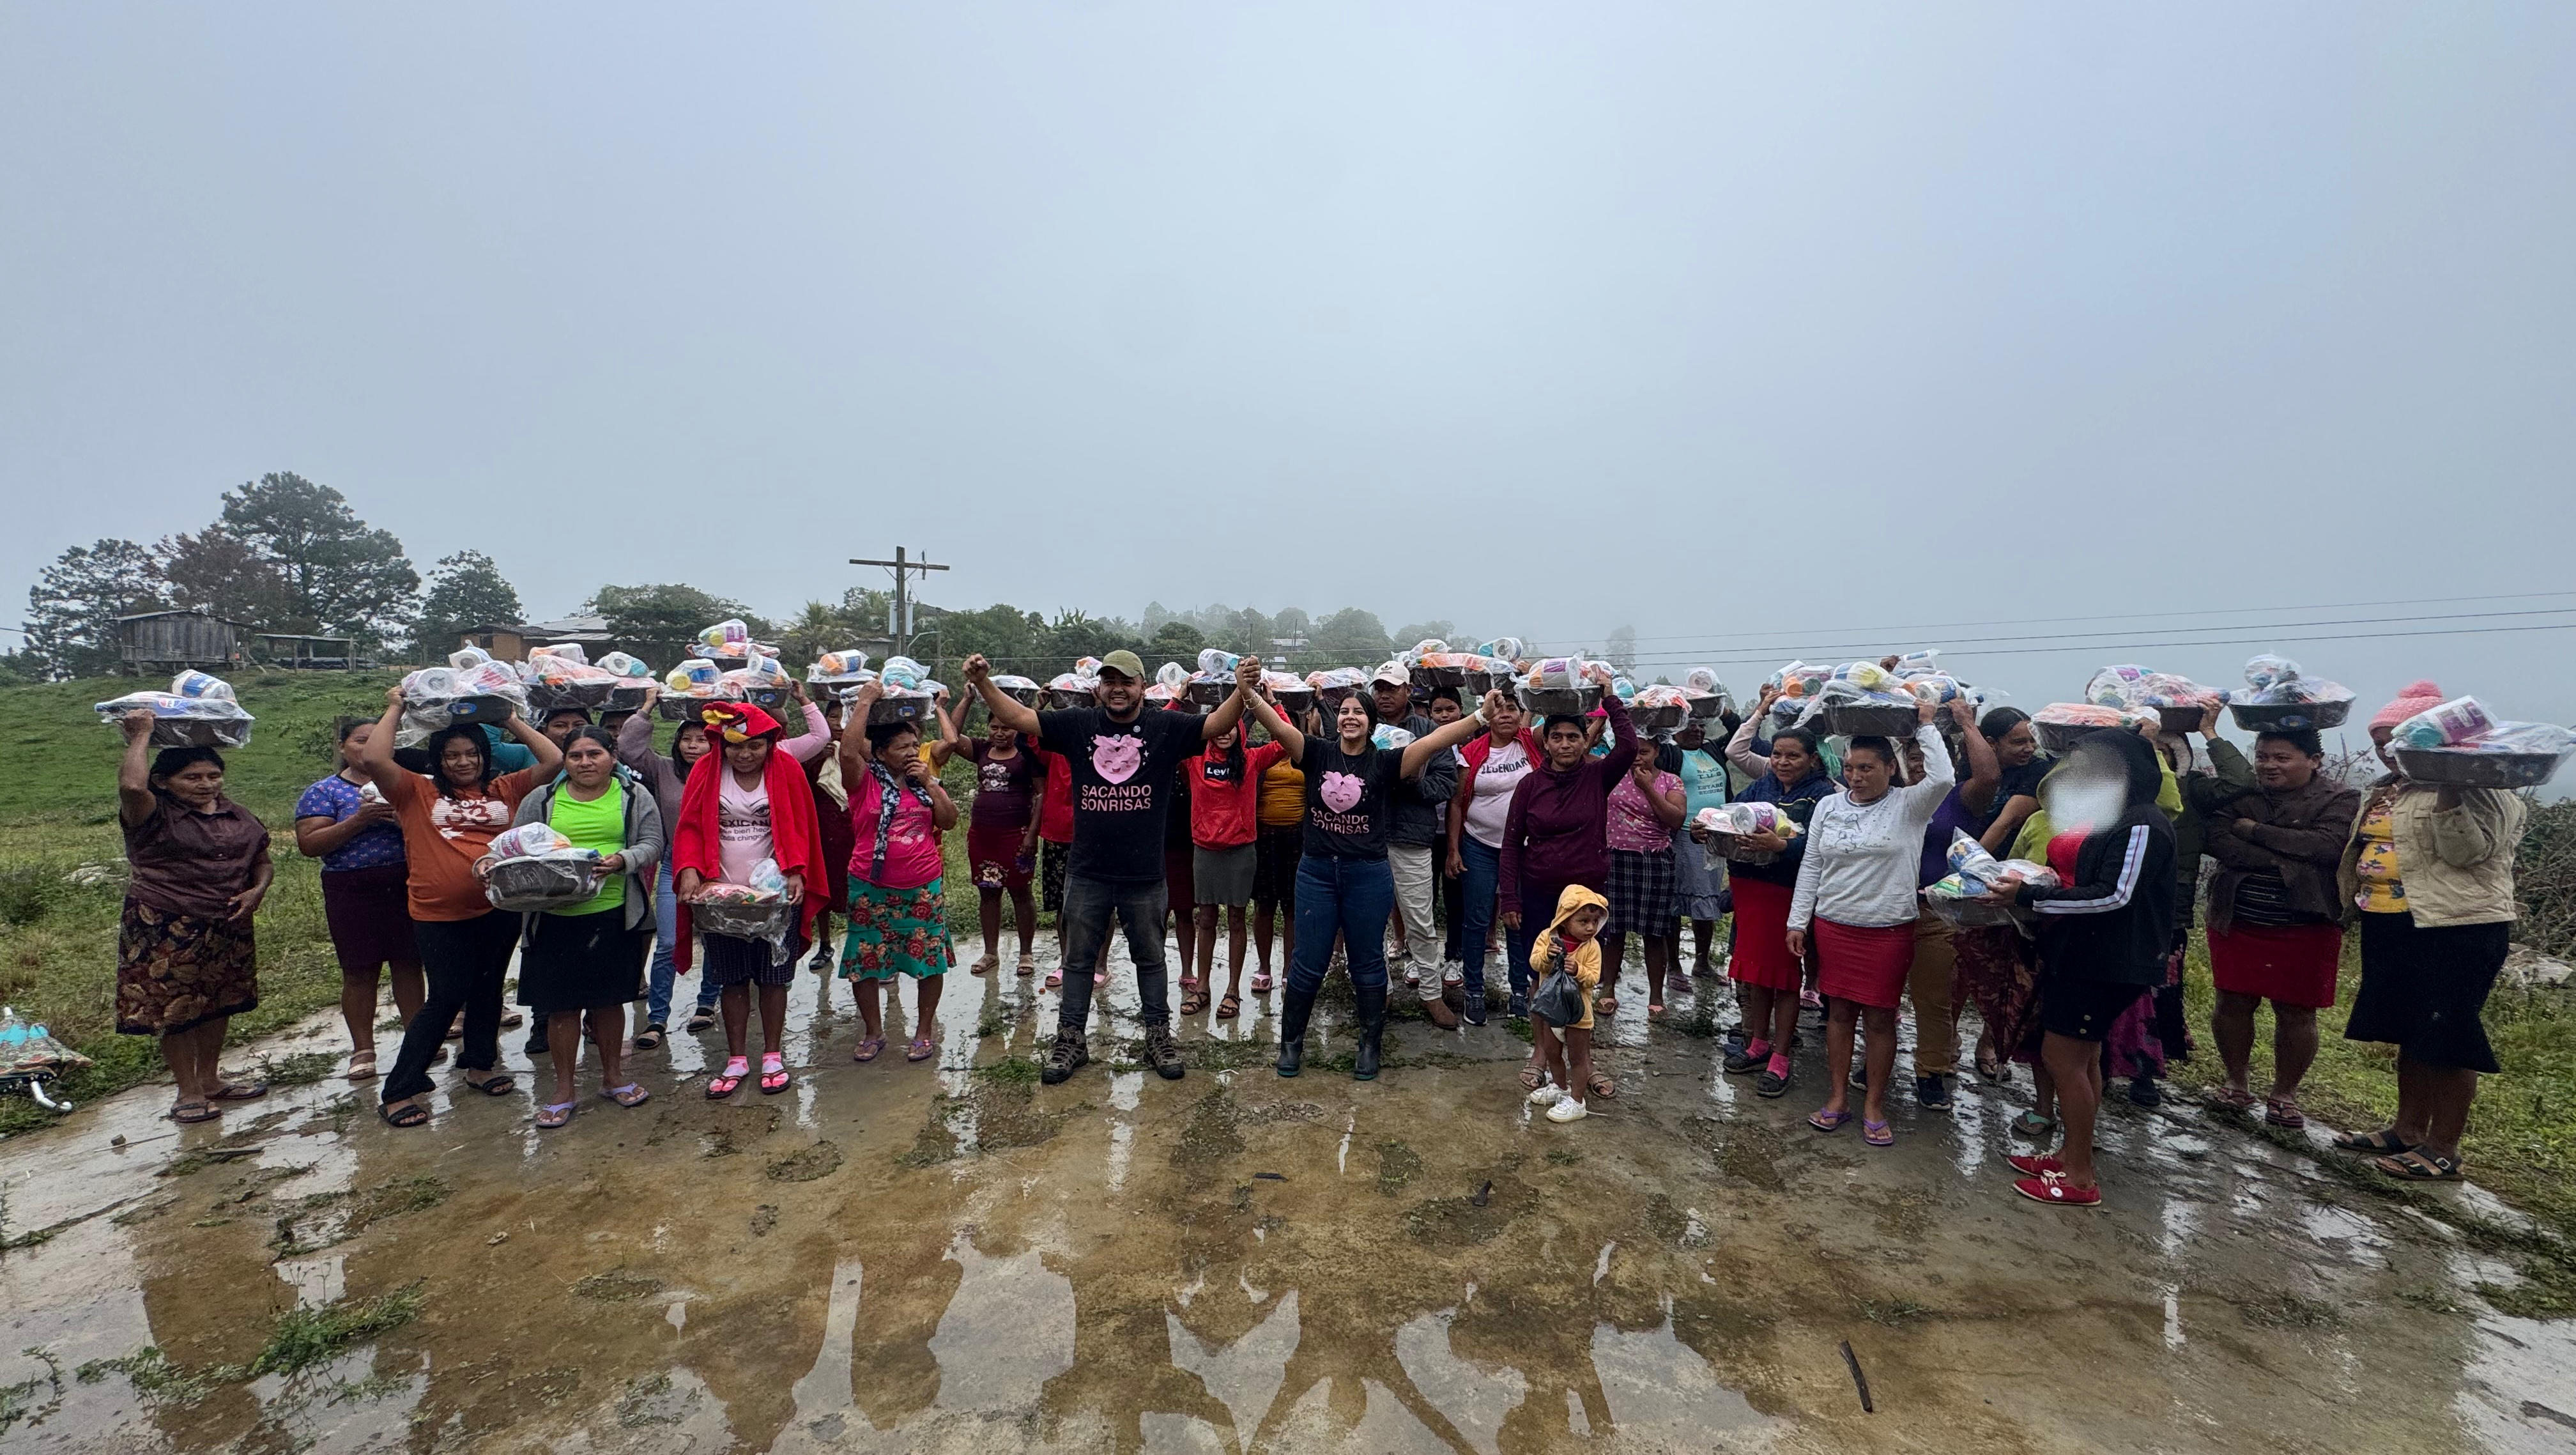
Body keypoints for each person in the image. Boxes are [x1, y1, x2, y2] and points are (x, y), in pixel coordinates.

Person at [963, 649, 1253, 1085]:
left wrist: (1245, 693)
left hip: (1144, 874)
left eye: (1127, 681)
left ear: (1141, 686)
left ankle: (1158, 1036)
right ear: (1099, 687)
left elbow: (1215, 725)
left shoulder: (1164, 727)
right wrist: (984, 684)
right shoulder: (1079, 723)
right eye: (1110, 680)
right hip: (1088, 870)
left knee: (1151, 960)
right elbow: (1022, 718)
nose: (1118, 688)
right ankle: (1070, 1040)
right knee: (1078, 961)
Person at [1245, 668, 1495, 1080]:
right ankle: (1291, 1045)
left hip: (1368, 875)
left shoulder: (1387, 762)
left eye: (1358, 712)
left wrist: (1479, 719)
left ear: (1370, 723)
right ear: (1337, 718)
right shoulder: (1317, 753)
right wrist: (1248, 694)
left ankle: (1369, 1046)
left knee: (1366, 963)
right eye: (1344, 711)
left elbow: (1435, 741)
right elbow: (1279, 727)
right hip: (1317, 873)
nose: (1350, 717)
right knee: (1308, 962)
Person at [2331, 681, 2527, 1182]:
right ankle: (2407, 1129)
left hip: (2457, 926)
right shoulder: (2389, 786)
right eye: (2378, 741)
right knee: (2409, 1029)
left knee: (2447, 1031)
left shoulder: (2489, 789)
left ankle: (2443, 1148)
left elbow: (2467, 853)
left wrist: (2451, 789)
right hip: (2392, 921)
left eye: (2396, 739)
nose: (2386, 750)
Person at [1981, 728, 2177, 1208]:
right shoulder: (2112, 818)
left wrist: (2032, 896)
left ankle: (2080, 1177)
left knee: (2063, 1060)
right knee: (2083, 1059)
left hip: (2107, 961)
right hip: (2084, 954)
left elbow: (2114, 895)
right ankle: (2070, 1153)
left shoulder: (2142, 823)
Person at [361, 688, 562, 1128]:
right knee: (447, 995)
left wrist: (508, 718)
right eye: (452, 755)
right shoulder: (416, 791)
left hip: (498, 907)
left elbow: (552, 760)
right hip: (438, 913)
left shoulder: (505, 788)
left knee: (489, 987)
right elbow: (375, 760)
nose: (463, 762)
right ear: (439, 758)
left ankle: (480, 1064)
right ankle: (399, 1088)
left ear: (484, 755)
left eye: (472, 753)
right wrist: (395, 707)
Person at [1787, 700, 1956, 1148]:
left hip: (1887, 929)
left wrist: (1923, 726)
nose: (1857, 777)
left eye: (1867, 768)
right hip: (1834, 924)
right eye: (1850, 768)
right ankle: (1839, 1097)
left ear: (1889, 767)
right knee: (1839, 1013)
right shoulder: (1828, 805)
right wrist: (1798, 920)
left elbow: (1943, 778)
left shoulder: (1910, 805)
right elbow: (1812, 865)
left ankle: (1874, 1104)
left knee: (1881, 1019)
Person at [115, 714, 273, 1124]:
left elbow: (263, 862)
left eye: (213, 775)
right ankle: (187, 1091)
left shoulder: (238, 815)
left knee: (219, 1002)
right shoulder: (151, 812)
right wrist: (142, 734)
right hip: (165, 924)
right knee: (175, 1009)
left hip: (227, 922)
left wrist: (257, 890)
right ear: (165, 782)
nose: (206, 784)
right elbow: (133, 785)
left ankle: (210, 1079)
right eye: (193, 777)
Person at [2200, 728, 2359, 1127]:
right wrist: (2285, 854)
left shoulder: (2340, 799)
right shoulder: (2241, 794)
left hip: (2307, 922)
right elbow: (2219, 840)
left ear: (2314, 760)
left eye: (2282, 758)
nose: (2269, 765)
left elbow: (2327, 847)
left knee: (2297, 1011)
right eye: (2263, 756)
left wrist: (2255, 831)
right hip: (2237, 917)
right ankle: (2236, 1082)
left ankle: (2285, 1094)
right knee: (2233, 1001)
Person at [670, 701, 827, 1098]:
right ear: (721, 743)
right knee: (731, 977)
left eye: (754, 746)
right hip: (720, 895)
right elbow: (688, 825)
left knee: (774, 977)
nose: (744, 755)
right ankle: (737, 1058)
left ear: (770, 744)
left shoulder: (787, 768)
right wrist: (689, 867)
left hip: (775, 895)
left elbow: (803, 824)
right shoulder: (706, 771)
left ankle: (773, 1054)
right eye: (735, 746)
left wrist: (797, 868)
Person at [508, 726, 663, 1128]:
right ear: (565, 760)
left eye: (594, 754)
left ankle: (613, 1078)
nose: (585, 763)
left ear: (612, 756)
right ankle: (564, 1089)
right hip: (554, 917)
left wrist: (622, 861)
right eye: (575, 756)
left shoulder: (632, 796)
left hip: (613, 913)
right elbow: (515, 845)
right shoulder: (541, 799)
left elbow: (653, 844)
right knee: (562, 1008)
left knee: (610, 1002)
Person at [1715, 709, 1836, 1098]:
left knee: (1784, 978)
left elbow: (1823, 847)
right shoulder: (1762, 786)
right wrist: (1708, 826)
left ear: (1812, 759)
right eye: (1778, 755)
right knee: (1755, 974)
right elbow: (1731, 814)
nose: (1783, 763)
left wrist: (1782, 845)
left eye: (1793, 756)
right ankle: (1757, 1043)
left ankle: (1781, 1058)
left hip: (1788, 894)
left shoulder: (1824, 796)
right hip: (1750, 889)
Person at [838, 685, 962, 1063]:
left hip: (923, 884)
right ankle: (874, 1033)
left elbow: (950, 821)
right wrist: (864, 702)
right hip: (870, 885)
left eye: (914, 744)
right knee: (867, 959)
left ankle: (924, 1032)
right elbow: (847, 750)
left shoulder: (924, 783)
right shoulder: (864, 781)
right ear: (879, 752)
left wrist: (929, 783)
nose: (912, 752)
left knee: (929, 959)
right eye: (902, 747)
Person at [294, 719, 420, 1082]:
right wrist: (360, 820)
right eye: (359, 741)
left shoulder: (404, 784)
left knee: (409, 964)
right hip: (351, 887)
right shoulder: (324, 792)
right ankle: (362, 1049)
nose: (367, 749)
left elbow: (431, 830)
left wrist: (400, 821)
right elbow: (310, 844)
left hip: (405, 882)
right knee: (359, 970)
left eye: (376, 742)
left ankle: (418, 1038)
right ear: (342, 746)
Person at [1894, 700, 2000, 1110]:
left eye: (1926, 757)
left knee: (1932, 1000)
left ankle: (1932, 1073)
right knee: (1881, 997)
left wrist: (1967, 724)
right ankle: (1875, 1063)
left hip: (1936, 915)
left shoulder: (1961, 798)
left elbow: (1989, 774)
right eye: (1912, 758)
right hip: (1886, 910)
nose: (1918, 765)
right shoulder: (1892, 797)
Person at [619, 690, 719, 1046]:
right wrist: (647, 707)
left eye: (702, 740)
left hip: (717, 864)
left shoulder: (725, 772)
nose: (693, 746)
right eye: (687, 739)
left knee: (713, 938)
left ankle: (707, 1003)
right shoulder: (663, 769)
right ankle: (657, 1019)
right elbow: (629, 749)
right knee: (667, 943)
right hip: (674, 863)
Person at [1371, 664, 1461, 1026]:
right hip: (1367, 838)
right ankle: (1381, 990)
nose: (1384, 695)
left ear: (1408, 691)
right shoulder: (1362, 726)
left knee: (1421, 922)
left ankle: (1431, 993)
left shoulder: (1429, 733)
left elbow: (1445, 784)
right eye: (1379, 688)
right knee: (1370, 921)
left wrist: (1409, 785)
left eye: (1392, 688)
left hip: (1412, 839)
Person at [1184, 715, 1288, 1022]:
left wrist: (1273, 703)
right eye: (1219, 726)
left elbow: (1287, 739)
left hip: (1241, 851)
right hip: (1204, 850)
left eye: (1231, 726)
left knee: (1236, 920)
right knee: (1205, 919)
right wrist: (1182, 696)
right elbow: (1164, 731)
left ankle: (1232, 991)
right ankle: (1202, 987)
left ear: (1240, 729)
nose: (1225, 733)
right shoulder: (1194, 758)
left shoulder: (1252, 759)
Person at [1449, 693, 1539, 1018]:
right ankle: (1474, 990)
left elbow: (1566, 721)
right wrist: (1454, 849)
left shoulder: (1532, 742)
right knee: (1476, 920)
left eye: (1512, 708)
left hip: (1524, 849)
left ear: (1521, 714)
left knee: (1517, 919)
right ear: (1487, 715)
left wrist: (1531, 684)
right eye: (1497, 709)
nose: (1504, 715)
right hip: (1479, 845)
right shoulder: (1471, 752)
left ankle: (1519, 989)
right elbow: (1457, 803)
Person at [942, 698, 1041, 978]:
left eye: (1007, 727)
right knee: (988, 893)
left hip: (1017, 835)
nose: (1000, 733)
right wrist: (967, 699)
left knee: (1021, 894)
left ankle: (1026, 954)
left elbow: (1042, 794)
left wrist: (1032, 835)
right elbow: (950, 735)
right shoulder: (981, 750)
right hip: (983, 835)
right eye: (994, 727)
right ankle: (990, 953)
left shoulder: (1027, 754)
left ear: (1017, 730)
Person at [1600, 749, 1685, 1016]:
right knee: (1613, 928)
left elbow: (1676, 819)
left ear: (1658, 751)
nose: (1637, 757)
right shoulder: (1611, 775)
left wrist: (1647, 787)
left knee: (1654, 932)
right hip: (1614, 857)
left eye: (1645, 752)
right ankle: (1607, 989)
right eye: (1633, 751)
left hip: (1654, 860)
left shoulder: (1670, 782)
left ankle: (1656, 995)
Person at [1525, 886, 1611, 1124]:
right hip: (1552, 1011)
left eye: (1595, 921)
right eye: (1583, 921)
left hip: (1578, 1014)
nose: (1591, 928)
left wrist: (1580, 971)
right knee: (1552, 1052)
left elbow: (1594, 977)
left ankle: (1577, 1101)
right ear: (1564, 919)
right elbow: (1535, 963)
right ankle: (1560, 1088)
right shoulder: (1547, 938)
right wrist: (1547, 957)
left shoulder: (1592, 947)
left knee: (1578, 1057)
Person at [1250, 714, 1310, 996]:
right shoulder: (1260, 752)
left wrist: (1320, 703)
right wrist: (1249, 701)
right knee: (1264, 906)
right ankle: (1263, 968)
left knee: (1292, 907)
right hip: (1264, 838)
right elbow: (1234, 730)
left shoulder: (1307, 755)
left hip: (1297, 838)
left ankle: (1289, 969)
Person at [1670, 717, 1733, 981]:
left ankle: (1702, 963)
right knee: (1674, 899)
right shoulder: (1670, 753)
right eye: (1690, 724)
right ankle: (1673, 966)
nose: (1697, 729)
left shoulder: (1711, 749)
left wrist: (1723, 710)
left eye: (1701, 725)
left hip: (1716, 833)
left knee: (1707, 897)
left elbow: (1737, 728)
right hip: (1684, 832)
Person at [804, 691, 857, 975]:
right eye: (832, 717)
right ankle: (824, 944)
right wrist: (815, 759)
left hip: (854, 827)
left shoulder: (859, 750)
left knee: (855, 888)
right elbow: (801, 786)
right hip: (823, 828)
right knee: (823, 886)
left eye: (843, 717)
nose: (837, 723)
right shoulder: (812, 750)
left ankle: (858, 943)